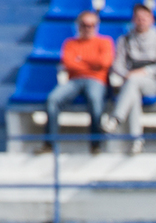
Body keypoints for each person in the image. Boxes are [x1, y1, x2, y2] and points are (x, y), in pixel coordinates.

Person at [43, 11, 113, 153]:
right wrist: (93, 64)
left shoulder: (105, 42)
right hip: (74, 80)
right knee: (53, 99)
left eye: (91, 25)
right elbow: (69, 64)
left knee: (95, 100)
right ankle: (50, 144)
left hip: (96, 80)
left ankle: (96, 144)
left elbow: (104, 63)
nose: (88, 28)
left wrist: (80, 59)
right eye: (84, 25)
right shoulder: (70, 43)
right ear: (79, 26)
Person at [109, 4, 156, 155]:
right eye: (138, 18)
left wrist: (144, 72)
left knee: (133, 82)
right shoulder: (125, 39)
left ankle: (116, 118)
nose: (141, 21)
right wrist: (126, 74)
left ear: (151, 19)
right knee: (133, 94)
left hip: (152, 82)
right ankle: (137, 141)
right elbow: (117, 65)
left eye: (144, 18)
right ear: (133, 20)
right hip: (130, 82)